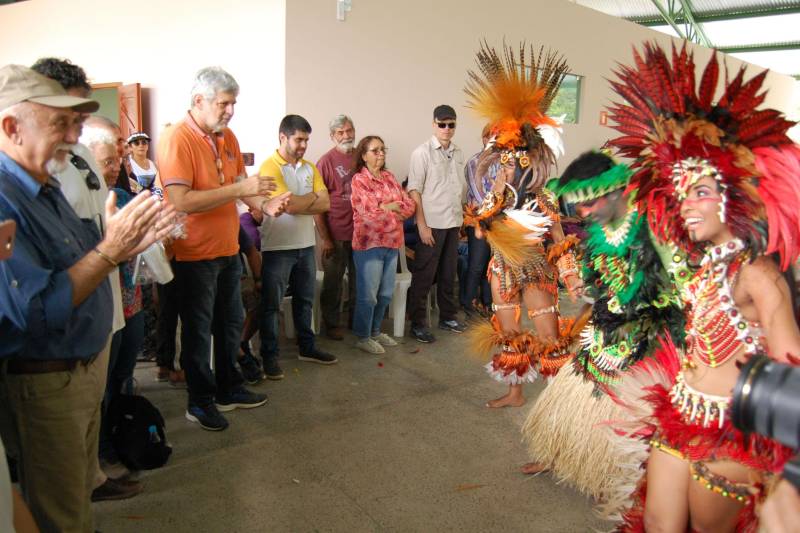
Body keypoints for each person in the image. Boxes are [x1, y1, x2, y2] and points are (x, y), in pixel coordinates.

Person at [605, 43, 800, 532]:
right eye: (680, 193)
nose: (685, 204)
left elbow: (791, 364)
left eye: (700, 191)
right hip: (681, 412)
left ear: (731, 197)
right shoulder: (704, 264)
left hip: (730, 432)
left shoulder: (757, 273)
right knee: (657, 522)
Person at [0, 64, 175, 533]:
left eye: (75, 123)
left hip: (79, 367)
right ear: (11, 127)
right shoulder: (5, 195)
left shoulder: (46, 182)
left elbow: (84, 254)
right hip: (47, 377)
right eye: (58, 123)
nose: (71, 135)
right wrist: (110, 249)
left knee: (76, 499)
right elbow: (37, 310)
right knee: (61, 513)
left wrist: (125, 246)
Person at [520, 151, 684, 509]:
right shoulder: (599, 229)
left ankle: (609, 478)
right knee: (573, 392)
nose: (583, 214)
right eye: (578, 206)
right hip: (603, 329)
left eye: (589, 203)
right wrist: (588, 288)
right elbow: (601, 276)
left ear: (614, 192)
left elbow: (679, 290)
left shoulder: (654, 230)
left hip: (645, 338)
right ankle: (558, 456)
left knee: (621, 412)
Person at [30, 56, 141, 500]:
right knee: (64, 429)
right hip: (68, 309)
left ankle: (93, 473)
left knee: (97, 399)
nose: (76, 127)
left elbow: (98, 217)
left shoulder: (81, 154)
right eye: (67, 116)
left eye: (81, 115)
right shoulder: (31, 169)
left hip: (102, 296)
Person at [157, 66, 289, 432]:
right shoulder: (176, 139)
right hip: (193, 254)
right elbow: (181, 200)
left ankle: (229, 388)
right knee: (198, 334)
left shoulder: (225, 135)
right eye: (224, 104)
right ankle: (199, 402)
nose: (230, 111)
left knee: (230, 324)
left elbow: (236, 185)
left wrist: (263, 205)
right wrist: (239, 191)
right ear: (199, 101)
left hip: (227, 249)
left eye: (233, 104)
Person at [462, 42, 584, 409]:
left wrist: (572, 277)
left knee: (550, 339)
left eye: (515, 160)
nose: (509, 165)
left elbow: (560, 240)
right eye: (503, 159)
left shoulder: (542, 197)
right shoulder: (491, 198)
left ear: (529, 160)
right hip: (501, 271)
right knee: (509, 334)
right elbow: (481, 228)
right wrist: (497, 186)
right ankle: (515, 394)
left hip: (534, 272)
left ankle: (560, 406)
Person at [82, 125, 148, 486]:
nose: (114, 166)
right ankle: (103, 449)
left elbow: (135, 240)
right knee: (102, 384)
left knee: (123, 376)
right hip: (103, 303)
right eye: (108, 160)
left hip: (130, 298)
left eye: (117, 160)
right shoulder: (81, 199)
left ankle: (122, 434)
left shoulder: (122, 194)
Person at [258, 114, 338, 380]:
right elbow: (287, 206)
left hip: (305, 245)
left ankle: (307, 347)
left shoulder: (310, 168)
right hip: (278, 248)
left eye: (306, 140)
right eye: (299, 139)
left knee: (305, 300)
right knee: (272, 305)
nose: (303, 145)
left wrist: (305, 200)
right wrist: (312, 198)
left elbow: (325, 204)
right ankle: (269, 357)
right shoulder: (270, 168)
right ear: (283, 137)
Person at [406, 104, 467, 343]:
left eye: (451, 124)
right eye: (442, 124)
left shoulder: (459, 152)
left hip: (453, 221)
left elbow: (458, 187)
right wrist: (421, 225)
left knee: (448, 273)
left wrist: (461, 217)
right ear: (434, 124)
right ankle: (418, 323)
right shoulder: (421, 153)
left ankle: (448, 316)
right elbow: (414, 190)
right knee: (424, 274)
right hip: (431, 224)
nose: (447, 128)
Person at [350, 136, 415, 354]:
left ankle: (376, 331)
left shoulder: (389, 177)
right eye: (375, 150)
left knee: (386, 292)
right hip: (369, 245)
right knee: (368, 294)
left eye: (382, 150)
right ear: (364, 155)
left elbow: (409, 206)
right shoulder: (359, 180)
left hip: (392, 242)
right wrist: (392, 209)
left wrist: (388, 207)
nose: (380, 154)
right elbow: (368, 215)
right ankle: (363, 336)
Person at [315, 114, 357, 339]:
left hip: (361, 234)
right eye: (340, 132)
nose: (346, 135)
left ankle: (356, 322)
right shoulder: (325, 162)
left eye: (349, 130)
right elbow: (318, 206)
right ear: (332, 136)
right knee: (333, 283)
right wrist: (326, 239)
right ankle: (331, 325)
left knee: (359, 283)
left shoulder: (363, 157)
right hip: (336, 233)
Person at [462, 124, 495, 318]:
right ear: (483, 138)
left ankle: (488, 302)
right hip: (478, 219)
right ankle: (468, 302)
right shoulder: (475, 161)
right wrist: (494, 209)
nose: (494, 139)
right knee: (477, 264)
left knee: (492, 264)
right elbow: (478, 193)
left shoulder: (505, 160)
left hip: (498, 221)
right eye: (490, 136)